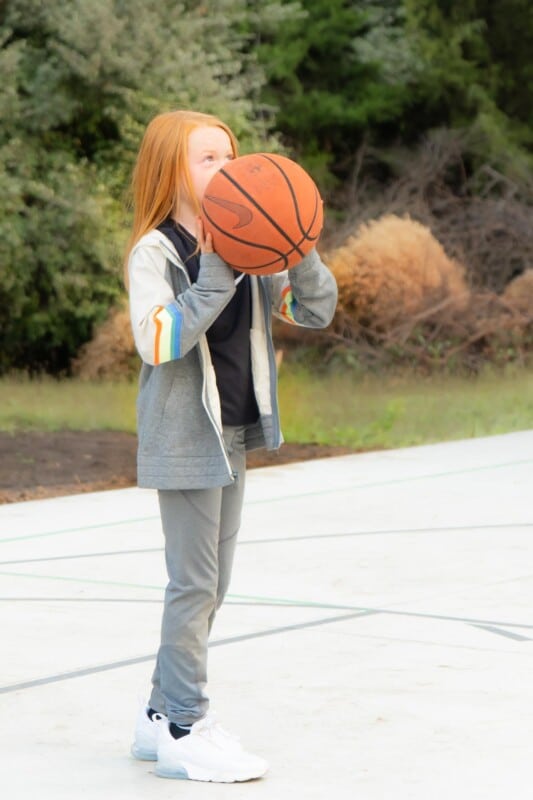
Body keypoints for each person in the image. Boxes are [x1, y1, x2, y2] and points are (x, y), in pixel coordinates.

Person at [125, 109, 338, 783]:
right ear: (171, 173)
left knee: (214, 583)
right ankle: (186, 725)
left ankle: (159, 715)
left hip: (234, 431)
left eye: (229, 154)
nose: (225, 167)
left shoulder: (254, 247)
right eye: (205, 159)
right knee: (194, 584)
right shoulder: (155, 252)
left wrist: (297, 245)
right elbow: (157, 342)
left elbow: (312, 312)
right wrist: (215, 275)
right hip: (184, 434)